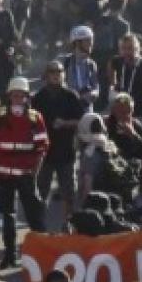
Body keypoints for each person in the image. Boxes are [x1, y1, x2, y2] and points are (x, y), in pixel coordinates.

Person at [0, 77, 48, 268]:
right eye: (15, 95)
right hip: (4, 175)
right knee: (7, 216)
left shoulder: (35, 118)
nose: (18, 98)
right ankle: (10, 255)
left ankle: (42, 253)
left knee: (34, 216)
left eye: (22, 95)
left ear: (27, 97)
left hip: (26, 175)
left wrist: (35, 173)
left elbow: (42, 147)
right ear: (9, 96)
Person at [34, 60, 85, 228]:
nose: (56, 75)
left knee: (68, 191)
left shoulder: (71, 96)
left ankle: (67, 224)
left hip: (66, 151)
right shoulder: (38, 98)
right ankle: (39, 225)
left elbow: (82, 121)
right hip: (44, 153)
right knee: (41, 191)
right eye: (52, 72)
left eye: (59, 71)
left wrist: (65, 123)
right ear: (46, 75)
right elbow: (31, 124)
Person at [106, 93, 142, 197]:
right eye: (122, 112)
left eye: (128, 112)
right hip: (116, 158)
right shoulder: (108, 124)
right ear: (114, 111)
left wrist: (133, 135)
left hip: (133, 155)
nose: (126, 115)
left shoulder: (137, 125)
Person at [109, 33, 142, 124]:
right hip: (120, 112)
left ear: (137, 49)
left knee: (139, 137)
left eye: (130, 48)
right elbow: (110, 67)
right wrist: (113, 84)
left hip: (141, 113)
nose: (126, 52)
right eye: (123, 48)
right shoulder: (118, 61)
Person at [62, 25, 99, 108]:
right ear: (77, 42)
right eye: (87, 40)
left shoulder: (91, 64)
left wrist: (90, 95)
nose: (91, 43)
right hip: (68, 107)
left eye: (91, 40)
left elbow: (96, 88)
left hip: (86, 108)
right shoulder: (65, 61)